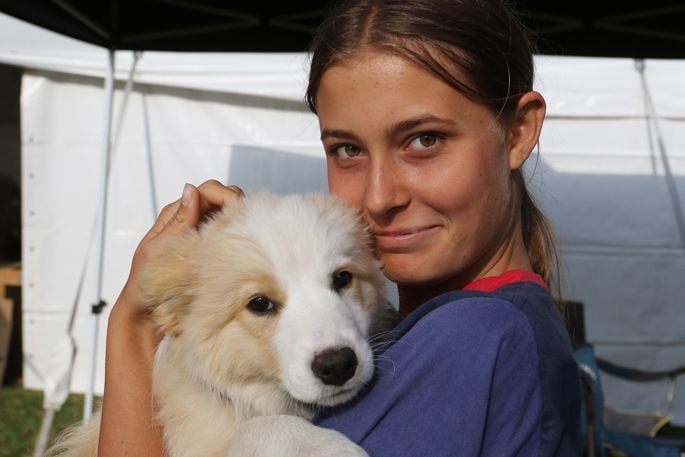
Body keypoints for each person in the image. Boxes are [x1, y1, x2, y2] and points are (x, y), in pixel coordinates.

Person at [97, 0, 582, 455]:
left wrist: (132, 328)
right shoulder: (435, 333)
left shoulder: (477, 335)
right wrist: (139, 318)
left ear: (518, 131)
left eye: (425, 139)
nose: (378, 197)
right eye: (347, 149)